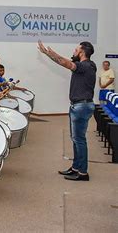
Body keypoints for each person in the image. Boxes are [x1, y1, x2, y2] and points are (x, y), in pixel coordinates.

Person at [38, 40, 96, 181]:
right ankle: (76, 168)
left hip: (81, 107)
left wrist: (49, 53)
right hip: (80, 106)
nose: (74, 52)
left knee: (79, 140)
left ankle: (83, 173)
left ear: (82, 52)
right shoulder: (88, 66)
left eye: (76, 50)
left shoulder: (86, 66)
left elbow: (65, 63)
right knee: (76, 139)